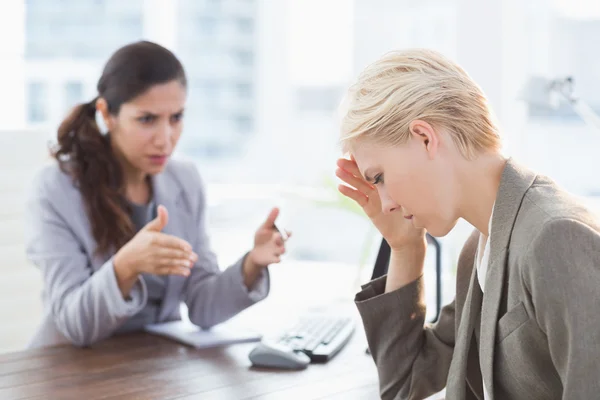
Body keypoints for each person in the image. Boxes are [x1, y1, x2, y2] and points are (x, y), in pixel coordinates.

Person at [336, 48, 600, 399]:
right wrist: (405, 247)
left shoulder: (555, 235)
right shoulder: (481, 248)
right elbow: (405, 384)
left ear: (425, 137)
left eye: (380, 176)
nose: (385, 203)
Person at [25, 41, 288, 348]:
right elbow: (74, 324)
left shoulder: (185, 181)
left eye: (176, 118)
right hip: (69, 373)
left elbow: (203, 306)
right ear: (107, 114)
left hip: (154, 371)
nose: (165, 140)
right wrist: (127, 265)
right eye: (147, 119)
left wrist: (252, 264)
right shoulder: (55, 189)